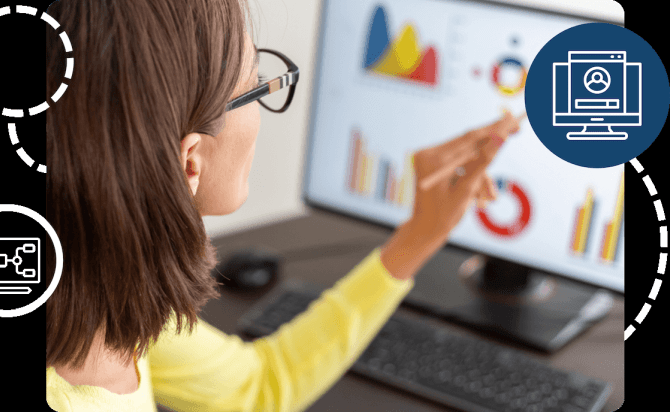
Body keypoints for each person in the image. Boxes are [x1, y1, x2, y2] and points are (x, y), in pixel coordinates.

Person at [44, 0, 521, 411]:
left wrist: (418, 238)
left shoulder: (104, 293)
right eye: (255, 88)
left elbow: (257, 388)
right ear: (190, 162)